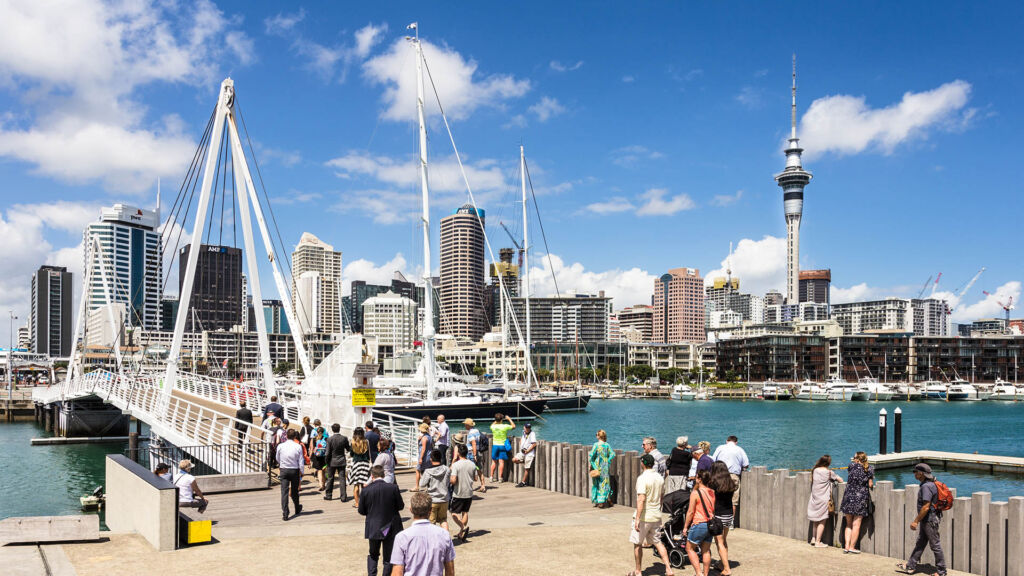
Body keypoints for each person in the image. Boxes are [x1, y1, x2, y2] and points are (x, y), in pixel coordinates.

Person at [896, 463, 947, 576]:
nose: (914, 473)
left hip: (930, 520)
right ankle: (910, 565)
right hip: (928, 519)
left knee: (935, 545)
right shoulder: (929, 484)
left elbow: (926, 507)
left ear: (921, 473)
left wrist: (916, 521)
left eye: (915, 472)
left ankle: (942, 572)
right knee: (921, 542)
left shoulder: (926, 486)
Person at [391, 492, 456, 576]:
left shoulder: (402, 537)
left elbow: (397, 572)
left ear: (411, 509)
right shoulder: (444, 535)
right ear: (430, 510)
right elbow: (450, 570)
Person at [629, 454, 674, 576]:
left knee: (637, 543)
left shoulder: (642, 478)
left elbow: (641, 499)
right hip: (656, 515)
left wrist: (637, 518)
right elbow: (661, 496)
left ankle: (638, 571)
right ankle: (668, 569)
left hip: (645, 516)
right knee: (658, 542)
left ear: (643, 463)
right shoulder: (659, 478)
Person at [359, 464, 405, 576]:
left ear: (372, 476)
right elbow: (400, 506)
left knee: (373, 554)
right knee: (388, 556)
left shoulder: (366, 490)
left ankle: (372, 574)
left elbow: (361, 510)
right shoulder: (393, 488)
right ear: (383, 475)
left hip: (374, 526)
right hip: (390, 526)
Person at [683, 468, 716, 576]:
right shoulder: (712, 492)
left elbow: (690, 512)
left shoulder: (695, 493)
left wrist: (685, 527)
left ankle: (698, 573)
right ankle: (705, 574)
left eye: (697, 477)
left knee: (689, 548)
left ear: (700, 479)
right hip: (710, 524)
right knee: (706, 551)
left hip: (699, 523)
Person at [839, 451, 874, 553]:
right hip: (860, 498)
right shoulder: (869, 469)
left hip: (848, 497)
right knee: (856, 525)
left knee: (848, 524)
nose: (853, 459)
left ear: (857, 459)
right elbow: (870, 484)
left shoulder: (851, 466)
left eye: (854, 457)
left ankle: (846, 547)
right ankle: (852, 547)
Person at [708, 461, 737, 576]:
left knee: (719, 542)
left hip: (719, 515)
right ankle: (721, 563)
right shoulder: (730, 483)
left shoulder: (713, 483)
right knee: (724, 541)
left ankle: (726, 568)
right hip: (729, 515)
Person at [711, 435, 749, 517]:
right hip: (733, 476)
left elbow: (713, 460)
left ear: (727, 441)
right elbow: (746, 464)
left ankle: (716, 518)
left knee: (717, 497)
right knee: (733, 501)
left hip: (719, 475)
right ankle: (731, 522)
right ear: (736, 442)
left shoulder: (720, 448)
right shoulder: (740, 449)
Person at [807, 454, 839, 548]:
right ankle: (818, 542)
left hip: (814, 498)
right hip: (824, 499)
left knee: (815, 519)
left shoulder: (815, 470)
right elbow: (839, 480)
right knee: (822, 520)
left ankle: (813, 538)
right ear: (828, 463)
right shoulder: (829, 472)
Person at [419, 448, 450, 532]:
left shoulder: (428, 471)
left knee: (431, 522)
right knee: (443, 520)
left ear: (431, 459)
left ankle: (432, 541)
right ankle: (446, 538)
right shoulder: (446, 469)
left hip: (433, 500)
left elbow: (422, 484)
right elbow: (448, 482)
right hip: (444, 498)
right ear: (441, 458)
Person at [276, 429, 305, 520]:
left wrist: (281, 464)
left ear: (286, 436)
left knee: (284, 492)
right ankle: (297, 507)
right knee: (294, 491)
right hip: (294, 470)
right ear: (294, 437)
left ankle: (285, 513)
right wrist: (302, 471)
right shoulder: (298, 446)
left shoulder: (280, 446)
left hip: (284, 469)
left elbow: (277, 457)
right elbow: (301, 460)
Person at [449, 444, 476, 541]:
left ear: (459, 453)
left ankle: (462, 528)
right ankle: (461, 533)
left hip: (458, 492)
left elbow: (453, 480)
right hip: (469, 491)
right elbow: (475, 478)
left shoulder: (456, 465)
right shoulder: (472, 464)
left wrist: (449, 481)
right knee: (465, 512)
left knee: (453, 513)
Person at [589, 429, 615, 508]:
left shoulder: (596, 445)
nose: (596, 436)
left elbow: (591, 456)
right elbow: (612, 454)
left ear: (599, 436)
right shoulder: (607, 445)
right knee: (605, 483)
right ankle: (608, 499)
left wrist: (592, 464)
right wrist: (607, 460)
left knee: (597, 483)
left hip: (597, 467)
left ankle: (600, 502)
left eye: (596, 434)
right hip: (605, 467)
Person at [324, 423, 350, 502]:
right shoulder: (344, 438)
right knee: (342, 478)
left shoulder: (329, 439)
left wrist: (326, 461)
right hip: (341, 460)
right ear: (339, 429)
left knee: (330, 478)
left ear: (332, 430)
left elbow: (327, 453)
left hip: (332, 461)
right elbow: (348, 449)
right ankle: (343, 496)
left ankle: (329, 495)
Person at [488, 413, 516, 483]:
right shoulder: (504, 426)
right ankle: (500, 478)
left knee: (494, 461)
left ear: (495, 419)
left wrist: (496, 421)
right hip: (502, 445)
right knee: (501, 462)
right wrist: (509, 419)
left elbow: (492, 425)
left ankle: (491, 477)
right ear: (502, 420)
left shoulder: (493, 427)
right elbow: (513, 426)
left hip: (495, 445)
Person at [349, 427, 372, 508]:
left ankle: (357, 503)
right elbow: (369, 455)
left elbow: (351, 454)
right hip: (365, 464)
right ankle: (364, 503)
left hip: (356, 464)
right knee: (364, 485)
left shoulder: (352, 441)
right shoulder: (366, 441)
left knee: (356, 485)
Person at [463, 419, 485, 492]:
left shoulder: (471, 433)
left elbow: (473, 443)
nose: (464, 426)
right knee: (479, 468)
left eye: (465, 424)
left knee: (470, 470)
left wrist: (474, 454)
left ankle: (469, 487)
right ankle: (483, 485)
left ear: (468, 425)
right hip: (478, 452)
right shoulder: (476, 431)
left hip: (471, 453)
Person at [512, 422, 537, 487]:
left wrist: (527, 451)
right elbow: (522, 439)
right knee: (514, 460)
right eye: (526, 427)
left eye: (529, 428)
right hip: (522, 452)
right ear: (524, 427)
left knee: (527, 468)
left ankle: (523, 482)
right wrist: (521, 443)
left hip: (529, 453)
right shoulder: (523, 432)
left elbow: (534, 444)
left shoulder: (532, 434)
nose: (527, 429)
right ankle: (523, 461)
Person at [415, 423, 434, 491]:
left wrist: (421, 458)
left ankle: (417, 486)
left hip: (424, 456)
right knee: (427, 471)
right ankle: (428, 487)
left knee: (418, 470)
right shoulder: (429, 436)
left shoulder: (424, 438)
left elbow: (423, 449)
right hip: (429, 456)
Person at [310, 426, 328, 491]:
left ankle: (320, 484)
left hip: (317, 456)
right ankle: (323, 484)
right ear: (323, 432)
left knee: (319, 471)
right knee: (323, 471)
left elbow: (312, 448)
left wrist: (310, 457)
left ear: (317, 432)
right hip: (324, 456)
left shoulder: (314, 439)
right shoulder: (326, 439)